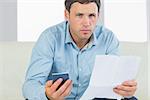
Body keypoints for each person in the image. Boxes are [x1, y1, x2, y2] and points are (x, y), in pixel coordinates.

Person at [22, 0, 138, 100]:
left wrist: (125, 91)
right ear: (67, 15)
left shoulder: (108, 38)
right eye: (79, 15)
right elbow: (30, 86)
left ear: (98, 15)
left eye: (92, 15)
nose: (87, 23)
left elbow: (113, 82)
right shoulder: (49, 38)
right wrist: (47, 94)